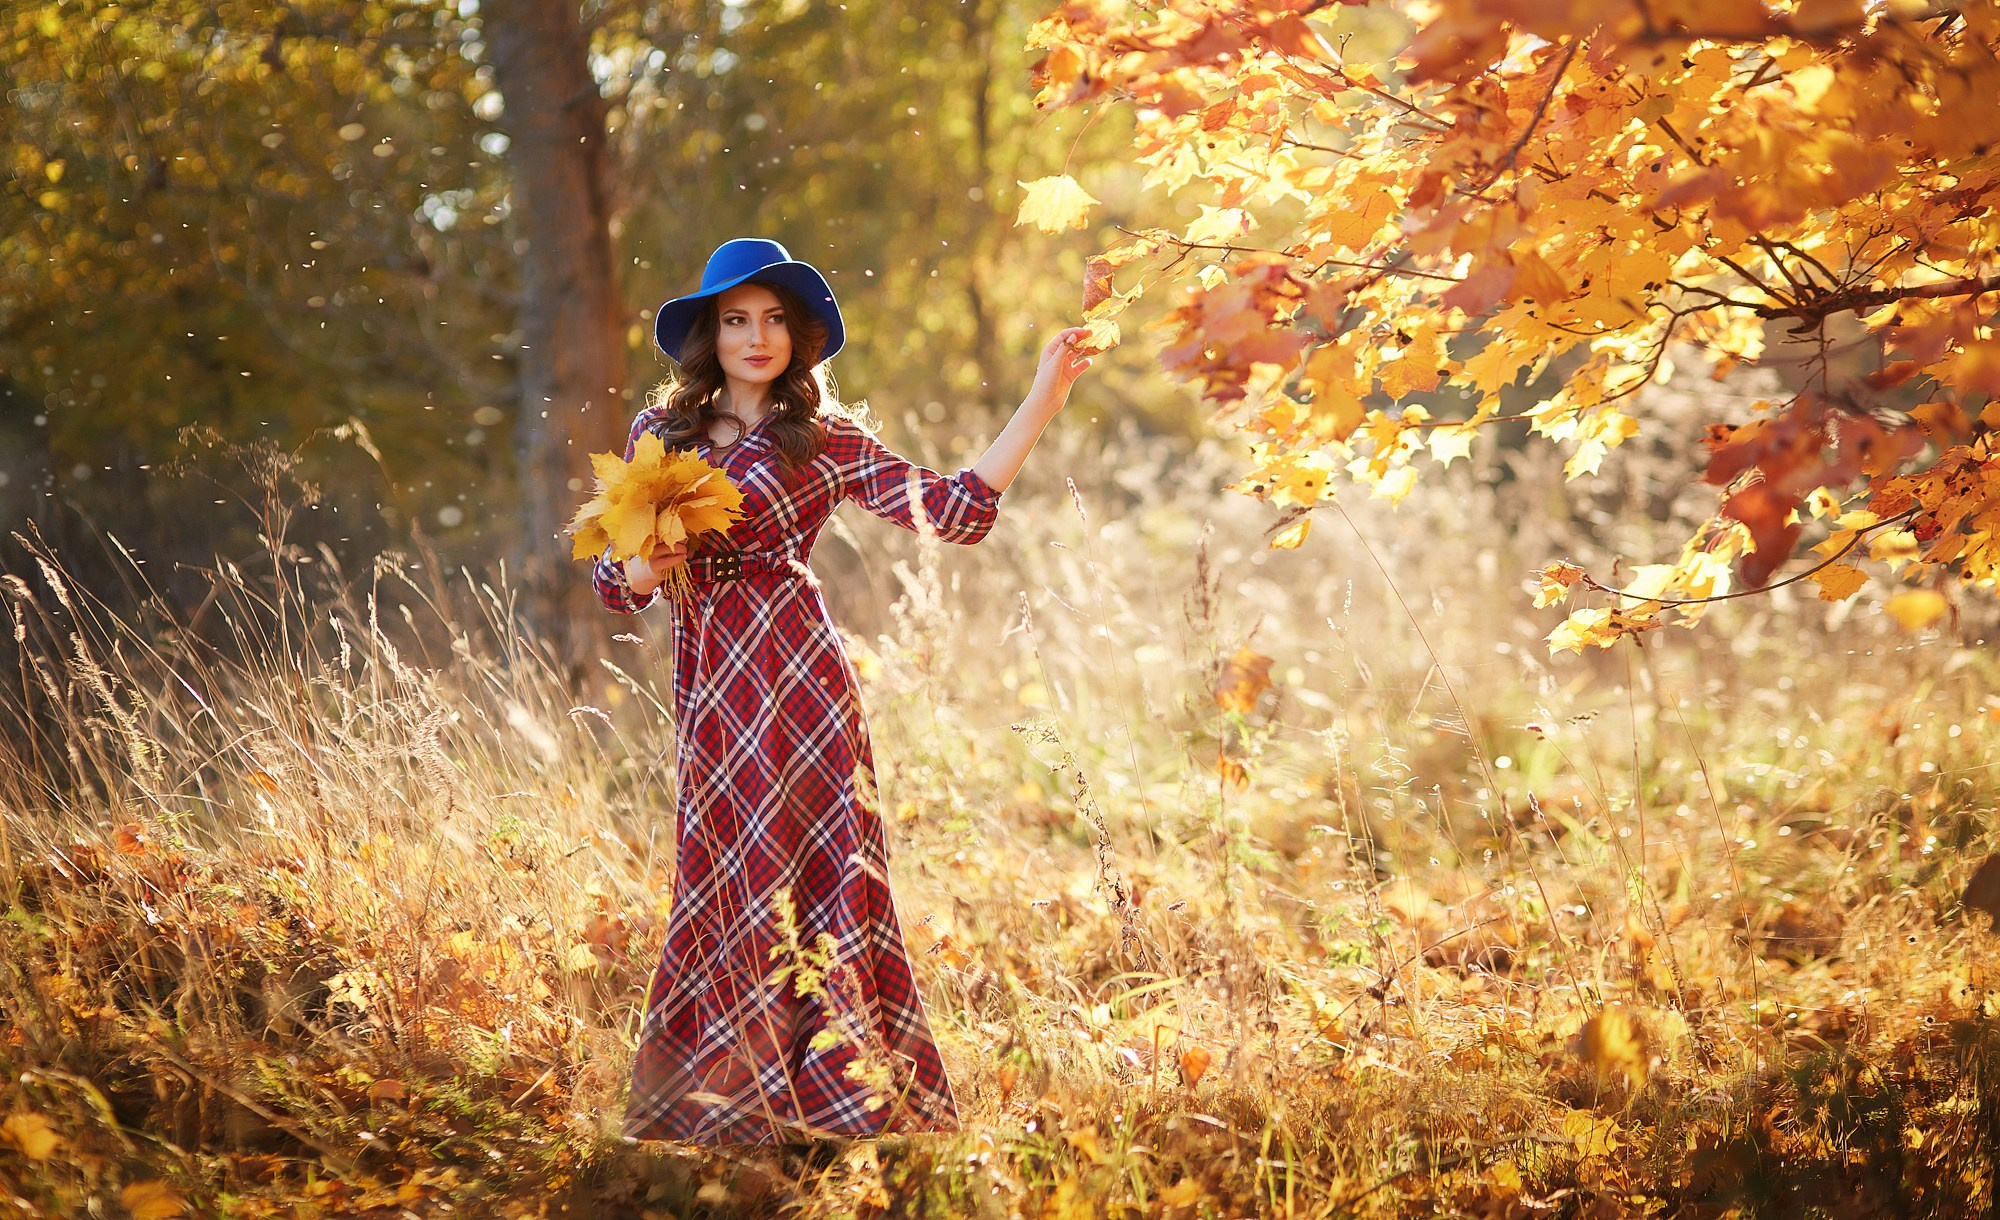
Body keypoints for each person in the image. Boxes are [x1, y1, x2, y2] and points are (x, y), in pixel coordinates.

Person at [593, 237, 1091, 1144]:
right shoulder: (656, 436)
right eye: (737, 320)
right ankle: (719, 1110)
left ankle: (843, 1109)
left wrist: (1043, 400)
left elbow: (954, 511)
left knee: (819, 877)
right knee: (722, 874)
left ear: (800, 334)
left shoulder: (824, 438)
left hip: (800, 681)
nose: (756, 337)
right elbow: (612, 584)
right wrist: (642, 568)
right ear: (710, 331)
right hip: (711, 686)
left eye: (775, 320)